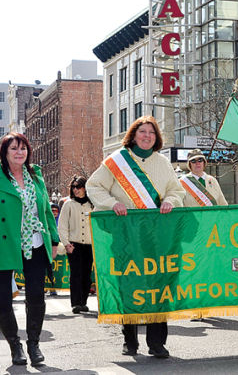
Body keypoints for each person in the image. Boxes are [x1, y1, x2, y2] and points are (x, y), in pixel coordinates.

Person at [87, 115, 185, 359]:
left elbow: (176, 190)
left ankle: (156, 342)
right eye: (143, 132)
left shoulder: (162, 163)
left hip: (155, 235)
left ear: (157, 137)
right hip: (125, 233)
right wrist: (112, 203)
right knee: (129, 284)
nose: (147, 136)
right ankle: (129, 340)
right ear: (133, 135)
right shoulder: (117, 161)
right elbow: (93, 186)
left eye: (152, 133)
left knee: (158, 285)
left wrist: (171, 201)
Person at [0, 132, 60, 366]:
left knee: (36, 297)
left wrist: (55, 239)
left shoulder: (36, 177)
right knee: (1, 301)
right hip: (0, 245)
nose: (19, 153)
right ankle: (14, 345)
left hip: (36, 243)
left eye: (23, 148)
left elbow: (46, 212)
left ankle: (33, 344)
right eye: (14, 149)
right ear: (4, 152)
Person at [58, 176, 94, 314]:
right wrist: (66, 244)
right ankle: (76, 302)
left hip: (89, 245)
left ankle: (83, 302)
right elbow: (62, 226)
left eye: (78, 186)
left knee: (86, 274)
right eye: (73, 187)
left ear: (85, 188)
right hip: (74, 245)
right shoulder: (68, 204)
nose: (75, 189)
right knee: (76, 274)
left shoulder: (92, 205)